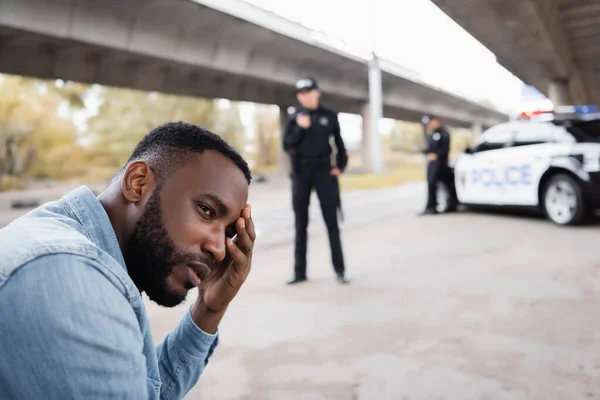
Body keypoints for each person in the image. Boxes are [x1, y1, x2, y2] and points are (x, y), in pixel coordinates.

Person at [0, 122, 255, 399]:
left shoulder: (68, 248)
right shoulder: (68, 273)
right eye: (207, 210)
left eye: (229, 233)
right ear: (138, 183)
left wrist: (208, 309)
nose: (219, 250)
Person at [283, 77, 349, 285]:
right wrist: (301, 128)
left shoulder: (329, 116)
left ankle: (340, 270)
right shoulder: (295, 117)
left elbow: (339, 143)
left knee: (332, 222)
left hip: (324, 173)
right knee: (300, 224)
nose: (305, 96)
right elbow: (287, 145)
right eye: (301, 93)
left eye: (308, 91)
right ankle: (299, 272)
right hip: (301, 173)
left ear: (317, 92)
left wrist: (340, 166)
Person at [420, 115, 451, 215]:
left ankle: (449, 206)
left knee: (446, 186)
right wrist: (424, 152)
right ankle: (431, 207)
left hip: (441, 165)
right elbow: (430, 149)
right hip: (432, 165)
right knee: (431, 185)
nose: (428, 125)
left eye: (429, 123)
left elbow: (445, 149)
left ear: (435, 121)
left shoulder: (444, 133)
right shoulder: (432, 135)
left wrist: (437, 155)